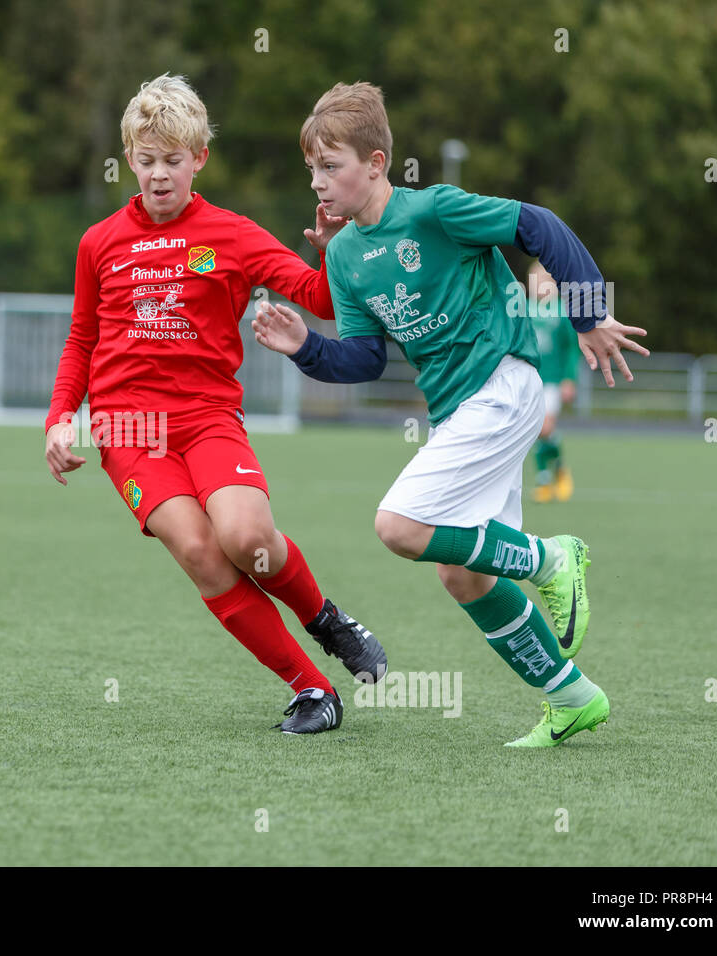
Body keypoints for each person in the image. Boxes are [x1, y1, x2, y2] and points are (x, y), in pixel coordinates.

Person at [254, 81, 648, 746]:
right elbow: (364, 360)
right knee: (462, 573)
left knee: (399, 525)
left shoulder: (434, 210)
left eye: (331, 166)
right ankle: (571, 697)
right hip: (461, 411)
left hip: (505, 382)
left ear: (376, 164)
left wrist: (587, 312)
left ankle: (552, 560)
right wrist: (306, 348)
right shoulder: (345, 254)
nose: (317, 183)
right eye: (311, 169)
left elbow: (538, 225)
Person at [44, 74, 386, 736]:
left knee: (247, 538)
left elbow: (317, 297)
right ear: (130, 160)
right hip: (129, 430)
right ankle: (312, 690)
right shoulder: (99, 243)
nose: (159, 174)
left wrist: (335, 252)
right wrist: (60, 418)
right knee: (201, 551)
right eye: (147, 160)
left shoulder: (231, 234)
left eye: (173, 160)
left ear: (199, 158)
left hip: (207, 420)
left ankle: (327, 622)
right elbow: (82, 337)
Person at [526, 262, 580, 502]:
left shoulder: (561, 312)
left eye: (545, 281)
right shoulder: (522, 310)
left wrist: (570, 378)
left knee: (544, 427)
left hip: (552, 380)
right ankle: (550, 473)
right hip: (527, 381)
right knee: (534, 431)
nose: (539, 286)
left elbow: (571, 349)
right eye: (535, 281)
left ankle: (551, 475)